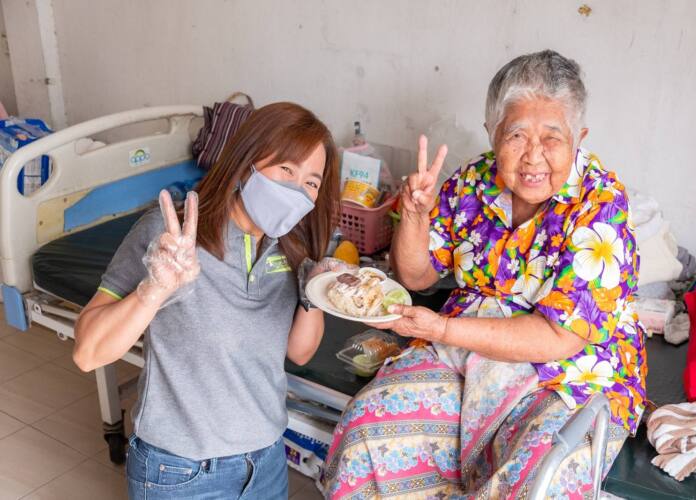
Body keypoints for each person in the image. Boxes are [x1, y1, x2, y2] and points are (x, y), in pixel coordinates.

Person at [324, 50, 647, 498]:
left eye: (552, 138)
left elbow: (560, 337)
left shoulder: (601, 203)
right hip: (464, 350)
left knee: (535, 483)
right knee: (366, 430)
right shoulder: (473, 181)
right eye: (516, 135)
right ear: (492, 132)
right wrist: (414, 216)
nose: (533, 157)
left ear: (579, 137)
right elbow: (416, 277)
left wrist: (442, 328)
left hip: (568, 373)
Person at [74, 102, 344, 499]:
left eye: (311, 182)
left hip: (266, 460)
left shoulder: (293, 246)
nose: (296, 190)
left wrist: (314, 293)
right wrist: (154, 289)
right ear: (248, 161)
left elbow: (299, 353)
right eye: (286, 169)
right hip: (180, 471)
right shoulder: (173, 234)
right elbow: (88, 353)